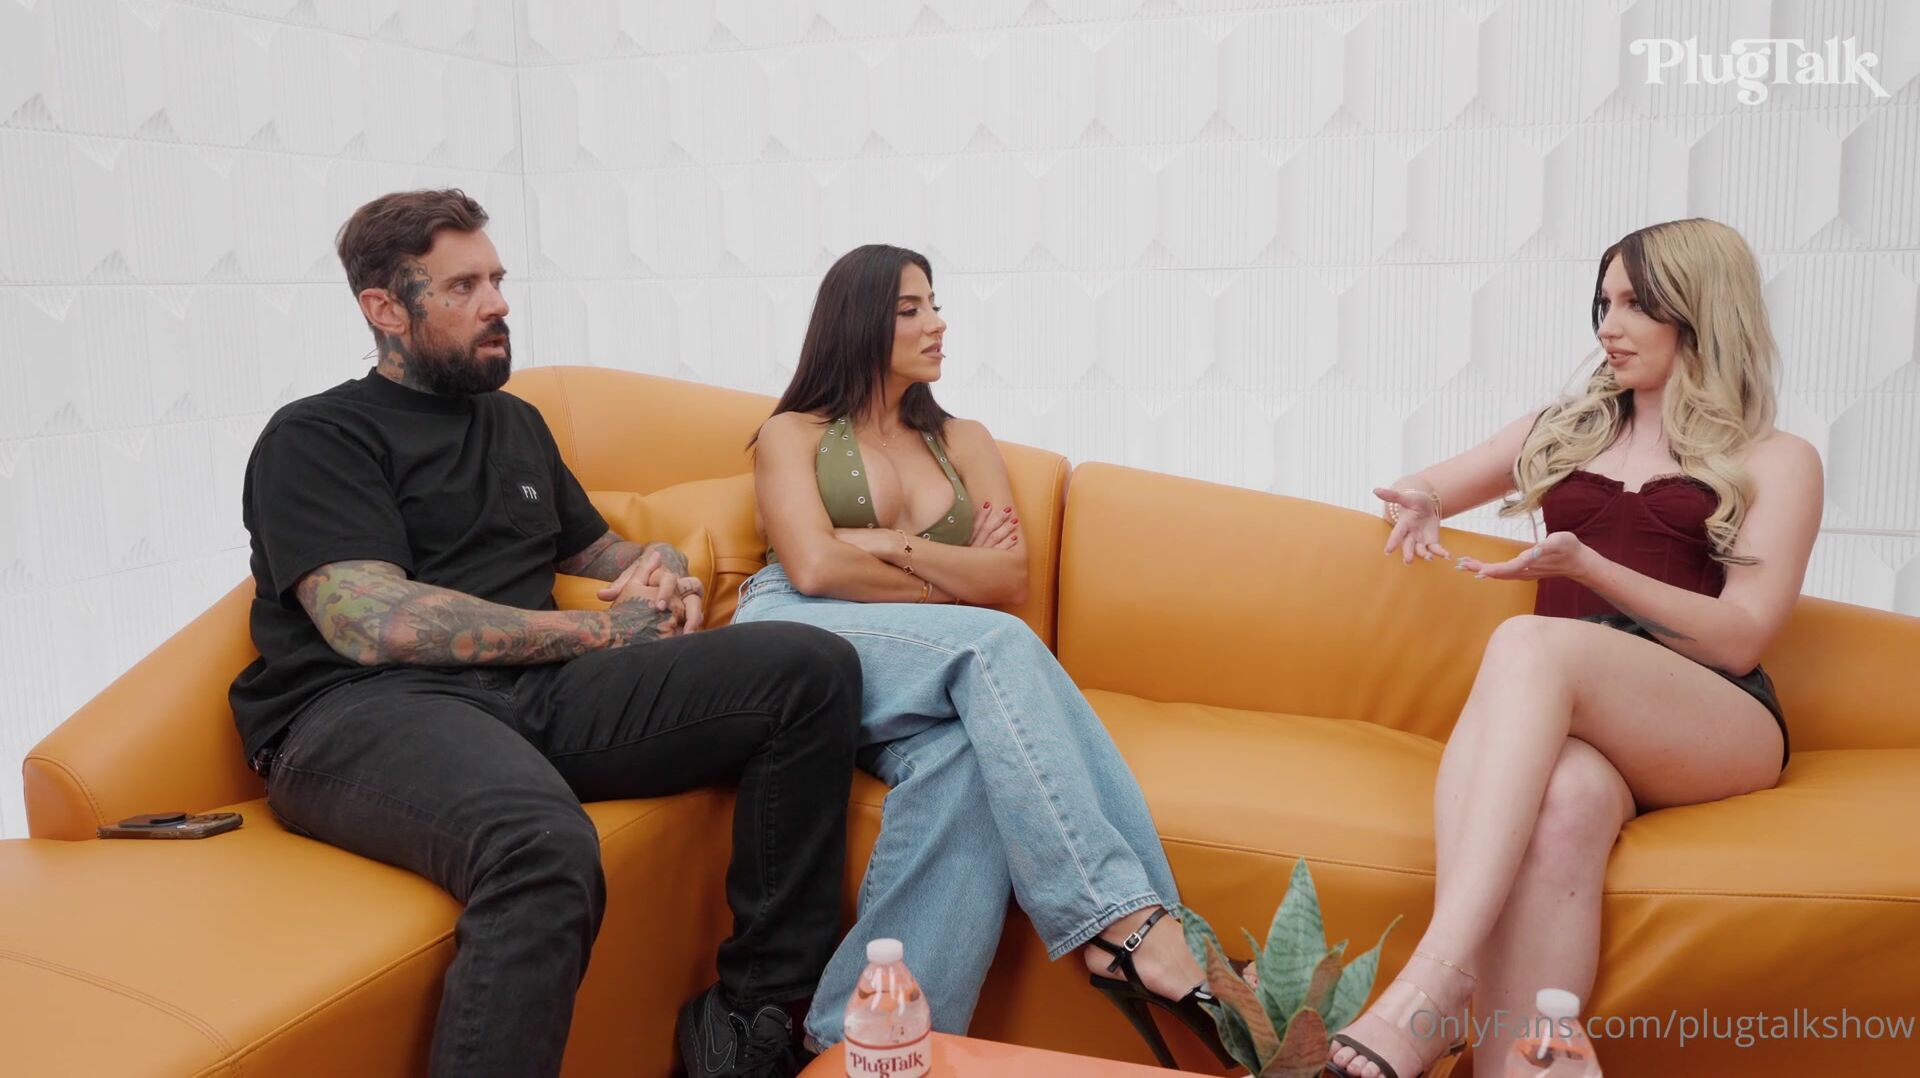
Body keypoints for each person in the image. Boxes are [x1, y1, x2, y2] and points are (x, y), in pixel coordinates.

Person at [228, 189, 863, 1078]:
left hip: (536, 696)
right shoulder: (318, 435)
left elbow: (595, 548)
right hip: (364, 713)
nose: (498, 304)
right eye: (463, 287)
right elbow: (373, 621)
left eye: (497, 280)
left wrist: (660, 564)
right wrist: (600, 633)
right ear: (384, 309)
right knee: (542, 845)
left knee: (811, 669)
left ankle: (750, 1022)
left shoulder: (515, 423)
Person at [1325, 218, 1821, 1078]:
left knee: (1530, 641)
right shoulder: (1567, 428)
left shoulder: (1776, 458)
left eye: (1636, 306)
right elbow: (1434, 482)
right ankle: (1523, 1062)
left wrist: (1590, 567)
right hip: (1577, 731)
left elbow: (1742, 637)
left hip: (1713, 719)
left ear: (1700, 311)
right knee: (1568, 802)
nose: (1608, 327)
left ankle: (1438, 980)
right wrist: (1422, 497)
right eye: (1604, 303)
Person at [735, 244, 1230, 1068]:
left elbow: (1009, 578)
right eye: (911, 309)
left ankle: (859, 1044)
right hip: (797, 632)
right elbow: (814, 567)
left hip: (915, 652)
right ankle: (1135, 925)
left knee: (966, 767)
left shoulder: (960, 440)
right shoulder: (793, 434)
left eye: (934, 304)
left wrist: (889, 544)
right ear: (857, 322)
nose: (937, 323)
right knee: (996, 644)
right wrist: (952, 577)